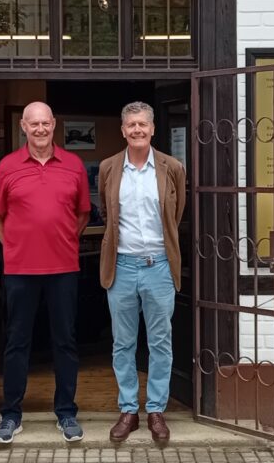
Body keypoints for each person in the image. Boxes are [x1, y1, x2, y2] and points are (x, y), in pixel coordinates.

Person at [0, 101, 91, 444]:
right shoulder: (8, 166)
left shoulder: (73, 165)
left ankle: (66, 413)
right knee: (17, 342)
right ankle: (11, 416)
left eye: (45, 123)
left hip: (64, 268)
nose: (40, 129)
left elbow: (82, 214)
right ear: (24, 127)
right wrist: (15, 246)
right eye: (34, 124)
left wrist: (63, 240)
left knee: (65, 342)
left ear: (54, 124)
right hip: (20, 270)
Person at [98, 101, 186, 444]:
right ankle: (128, 410)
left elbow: (176, 213)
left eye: (142, 124)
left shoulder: (171, 167)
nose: (137, 129)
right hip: (121, 266)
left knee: (160, 341)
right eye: (131, 125)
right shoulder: (109, 167)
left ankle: (156, 410)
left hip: (158, 266)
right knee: (123, 342)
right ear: (123, 131)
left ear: (152, 129)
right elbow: (107, 214)